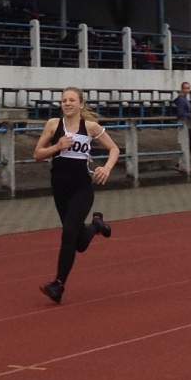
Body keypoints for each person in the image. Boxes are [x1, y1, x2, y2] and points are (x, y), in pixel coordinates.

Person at [30, 86, 119, 303]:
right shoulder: (53, 125)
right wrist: (57, 147)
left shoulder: (90, 127)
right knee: (78, 242)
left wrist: (106, 168)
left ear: (81, 104)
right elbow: (37, 154)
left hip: (82, 188)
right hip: (60, 188)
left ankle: (58, 285)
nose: (67, 103)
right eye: (64, 100)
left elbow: (114, 149)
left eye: (71, 100)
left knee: (68, 233)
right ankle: (96, 225)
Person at [173, 80, 191, 153]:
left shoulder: (184, 99)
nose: (187, 90)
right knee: (189, 145)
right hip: (183, 123)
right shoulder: (181, 100)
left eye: (188, 88)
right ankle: (183, 159)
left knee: (188, 145)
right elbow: (180, 114)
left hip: (187, 123)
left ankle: (183, 159)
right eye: (185, 88)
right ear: (182, 89)